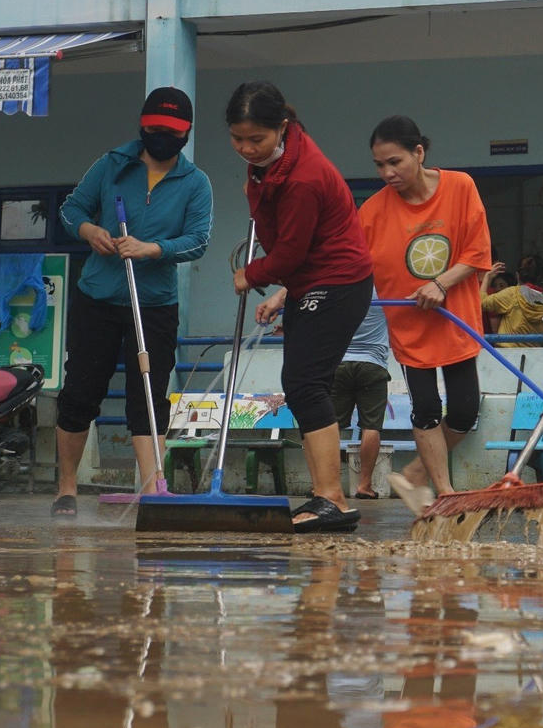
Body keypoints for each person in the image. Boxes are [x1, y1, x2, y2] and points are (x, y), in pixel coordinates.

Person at [52, 86, 212, 517]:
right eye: (155, 129)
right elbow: (71, 210)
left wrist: (152, 249)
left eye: (172, 132)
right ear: (142, 127)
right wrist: (90, 232)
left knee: (149, 392)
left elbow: (197, 240)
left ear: (186, 134)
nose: (162, 137)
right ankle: (67, 488)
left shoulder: (195, 183)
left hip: (155, 303)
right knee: (82, 390)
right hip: (98, 298)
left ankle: (152, 490)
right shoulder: (111, 166)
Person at [228, 81, 373, 531]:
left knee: (305, 382)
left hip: (337, 282)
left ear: (282, 128)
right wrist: (282, 292)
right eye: (237, 139)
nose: (247, 148)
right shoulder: (277, 163)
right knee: (303, 383)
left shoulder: (303, 177)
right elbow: (300, 255)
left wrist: (250, 274)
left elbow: (291, 254)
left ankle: (331, 498)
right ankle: (325, 496)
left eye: (257, 139)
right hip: (317, 280)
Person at [360, 115, 491, 517]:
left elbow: (478, 252)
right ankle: (446, 493)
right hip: (410, 327)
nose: (387, 173)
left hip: (456, 320)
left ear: (419, 152)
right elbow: (340, 260)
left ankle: (415, 473)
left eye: (395, 162)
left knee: (466, 411)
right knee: (427, 407)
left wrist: (441, 283)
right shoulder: (372, 211)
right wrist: (286, 291)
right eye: (380, 165)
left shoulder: (460, 187)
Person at [330, 295, 391, 500]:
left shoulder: (342, 288)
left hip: (339, 364)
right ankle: (364, 486)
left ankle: (325, 486)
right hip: (373, 365)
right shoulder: (383, 291)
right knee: (371, 426)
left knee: (332, 426)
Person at [480, 263, 543, 344]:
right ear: (541, 277)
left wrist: (487, 277)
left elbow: (482, 303)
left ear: (517, 275)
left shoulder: (513, 293)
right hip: (533, 353)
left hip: (506, 352)